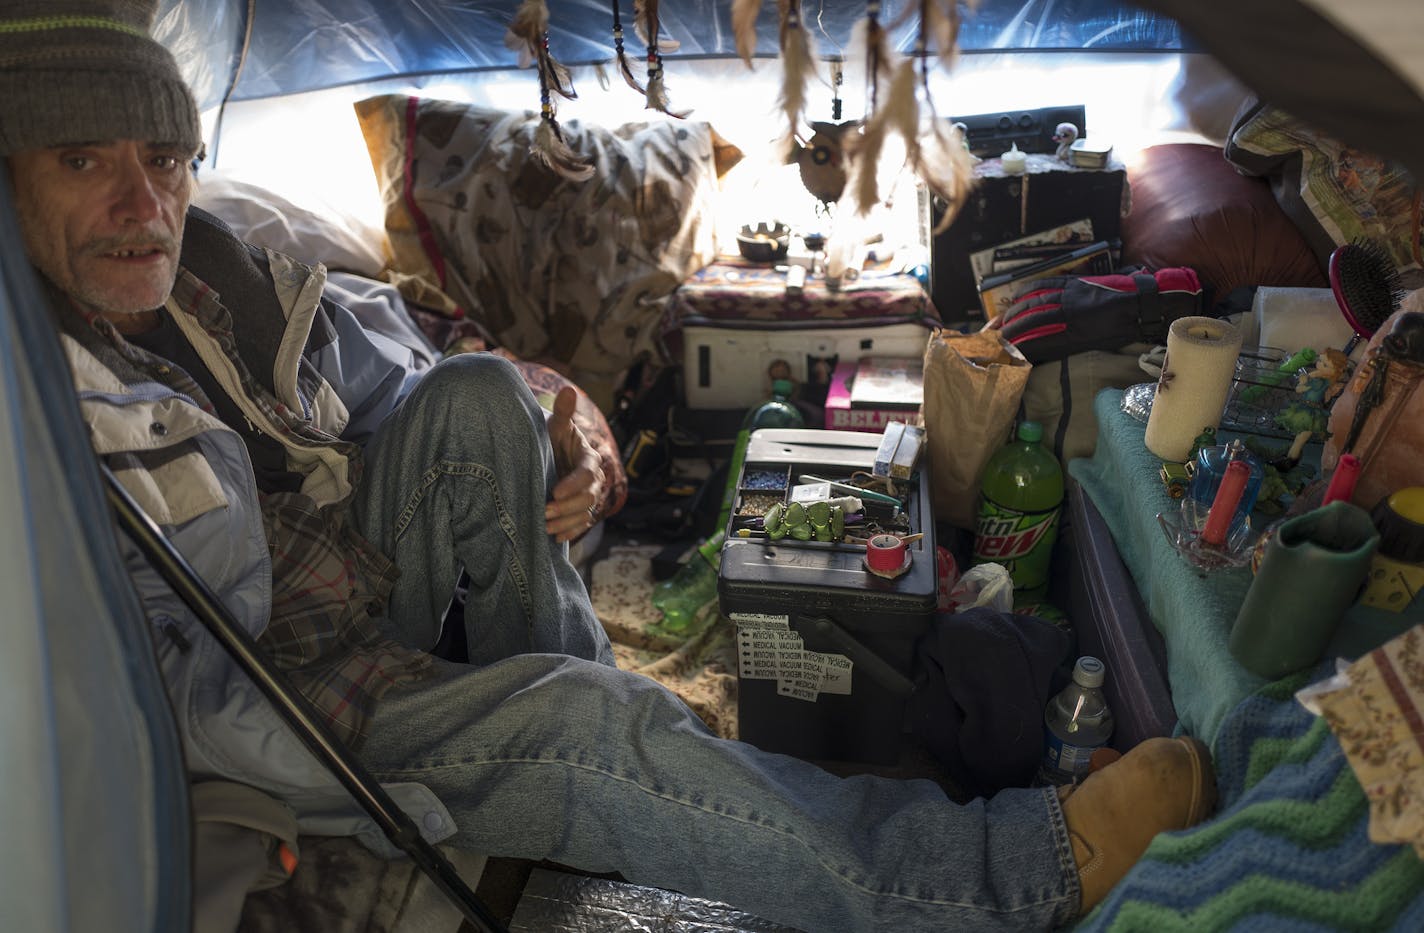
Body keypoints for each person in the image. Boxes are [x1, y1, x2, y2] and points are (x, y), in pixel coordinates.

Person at [0, 2, 1218, 930]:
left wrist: (554, 404)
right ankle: (1013, 874)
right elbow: (141, 695)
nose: (141, 203)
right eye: (80, 162)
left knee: (481, 396)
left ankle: (587, 758)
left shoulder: (220, 266)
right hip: (276, 692)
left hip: (364, 566)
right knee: (583, 726)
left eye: (161, 157)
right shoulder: (34, 403)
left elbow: (419, 374)